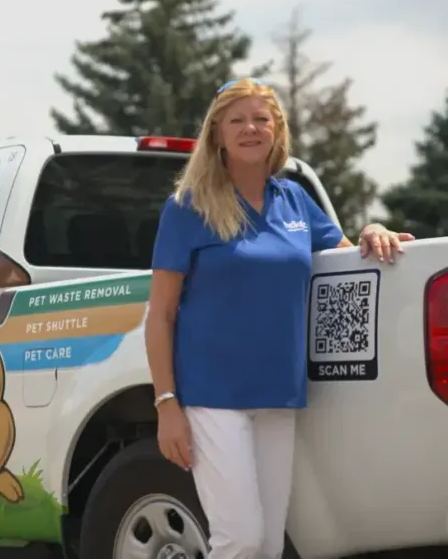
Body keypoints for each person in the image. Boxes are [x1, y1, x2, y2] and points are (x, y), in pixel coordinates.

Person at [144, 77, 414, 559]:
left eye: (261, 119)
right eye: (237, 120)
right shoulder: (188, 207)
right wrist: (167, 405)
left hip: (278, 394)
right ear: (217, 134)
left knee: (268, 545)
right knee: (240, 539)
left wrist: (373, 228)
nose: (251, 128)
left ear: (277, 130)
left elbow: (347, 260)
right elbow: (160, 315)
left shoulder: (294, 200)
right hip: (211, 396)